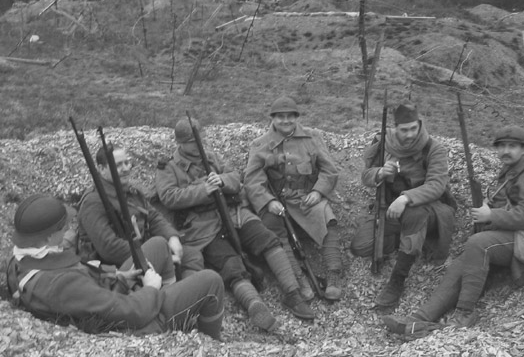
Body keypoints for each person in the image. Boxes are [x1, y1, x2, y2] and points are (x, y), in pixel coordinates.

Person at [382, 125, 524, 335]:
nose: (506, 151)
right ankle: (418, 320)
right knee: (460, 264)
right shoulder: (511, 173)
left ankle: (465, 313)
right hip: (515, 236)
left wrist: (491, 215)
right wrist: (489, 211)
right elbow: (507, 206)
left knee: (478, 243)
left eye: (512, 146)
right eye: (502, 146)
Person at [155, 117, 315, 330]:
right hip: (203, 227)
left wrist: (221, 181)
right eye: (194, 142)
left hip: (234, 213)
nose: (200, 144)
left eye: (201, 139)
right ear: (181, 143)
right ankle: (255, 305)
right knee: (231, 265)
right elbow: (168, 196)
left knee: (267, 239)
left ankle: (293, 293)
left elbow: (235, 177)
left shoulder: (211, 157)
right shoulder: (168, 167)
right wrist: (203, 189)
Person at [6, 194, 225, 340]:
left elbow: (84, 287)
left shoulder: (20, 261)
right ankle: (208, 342)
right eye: (62, 227)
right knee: (211, 281)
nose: (66, 231)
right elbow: (133, 312)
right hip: (131, 324)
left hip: (106, 300)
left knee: (157, 245)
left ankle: (177, 304)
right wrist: (151, 288)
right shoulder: (59, 284)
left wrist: (119, 277)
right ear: (50, 235)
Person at [350, 103, 456, 313]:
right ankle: (413, 239)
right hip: (393, 209)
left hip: (431, 210)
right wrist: (380, 173)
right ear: (395, 128)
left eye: (413, 129)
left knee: (415, 214)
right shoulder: (383, 143)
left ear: (419, 125)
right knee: (360, 246)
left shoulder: (434, 148)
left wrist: (406, 198)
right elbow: (366, 176)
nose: (409, 135)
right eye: (404, 130)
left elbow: (436, 186)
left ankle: (397, 280)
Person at [243, 96, 344, 301]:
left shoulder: (312, 138)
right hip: (278, 201)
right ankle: (298, 278)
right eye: (281, 117)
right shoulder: (260, 144)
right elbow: (253, 179)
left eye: (290, 117)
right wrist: (269, 201)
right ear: (273, 119)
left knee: (326, 216)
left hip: (305, 198)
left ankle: (334, 274)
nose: (286, 121)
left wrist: (318, 192)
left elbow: (330, 171)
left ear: (297, 118)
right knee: (272, 227)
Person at [78, 145, 203, 285]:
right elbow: (109, 248)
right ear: (102, 169)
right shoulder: (93, 201)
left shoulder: (131, 191)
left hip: (144, 250)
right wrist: (156, 254)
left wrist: (172, 237)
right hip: (118, 266)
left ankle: (187, 295)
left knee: (192, 257)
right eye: (117, 165)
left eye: (126, 162)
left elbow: (153, 217)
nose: (125, 168)